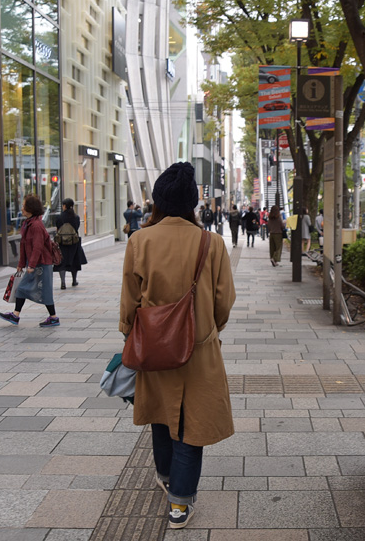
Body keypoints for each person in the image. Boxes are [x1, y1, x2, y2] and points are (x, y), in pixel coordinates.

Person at [119, 161, 236, 530]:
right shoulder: (211, 243)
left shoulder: (140, 240)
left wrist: (129, 334)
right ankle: (180, 505)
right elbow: (224, 300)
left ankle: (166, 476)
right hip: (199, 349)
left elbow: (129, 300)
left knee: (160, 412)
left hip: (154, 345)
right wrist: (207, 329)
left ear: (158, 199)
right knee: (192, 423)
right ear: (193, 202)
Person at [0, 194, 60, 327]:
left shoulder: (36, 225)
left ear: (30, 208)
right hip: (36, 264)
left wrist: (31, 265)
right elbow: (24, 245)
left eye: (24, 205)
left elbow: (37, 247)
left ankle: (51, 317)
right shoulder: (28, 223)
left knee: (33, 289)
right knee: (26, 289)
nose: (22, 208)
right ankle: (17, 315)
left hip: (41, 264)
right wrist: (21, 264)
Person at [54, 198, 88, 289]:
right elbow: (76, 228)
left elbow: (57, 228)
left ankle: (63, 282)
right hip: (74, 242)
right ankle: (74, 280)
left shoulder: (59, 217)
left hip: (62, 243)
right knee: (74, 261)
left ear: (65, 206)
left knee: (62, 262)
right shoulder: (76, 217)